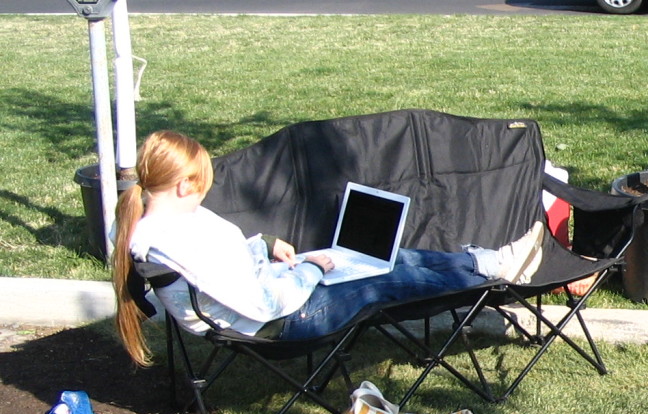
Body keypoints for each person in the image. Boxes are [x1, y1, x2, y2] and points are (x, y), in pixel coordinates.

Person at [111, 130, 532, 366]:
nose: (205, 192)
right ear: (185, 184)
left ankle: (486, 262)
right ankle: (492, 274)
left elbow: (229, 265)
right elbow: (264, 304)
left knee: (383, 259)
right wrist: (312, 270)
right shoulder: (179, 241)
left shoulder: (160, 223)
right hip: (285, 322)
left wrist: (266, 246)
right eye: (203, 184)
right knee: (380, 276)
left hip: (277, 296)